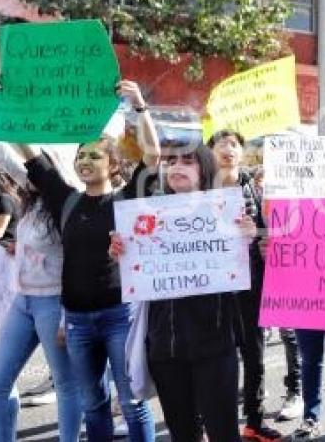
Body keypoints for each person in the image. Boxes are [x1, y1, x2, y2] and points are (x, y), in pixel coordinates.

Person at [11, 80, 159, 442]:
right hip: (76, 322)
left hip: (118, 317)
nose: (85, 161)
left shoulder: (128, 198)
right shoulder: (66, 199)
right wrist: (9, 101)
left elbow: (152, 157)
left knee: (132, 401)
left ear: (113, 164)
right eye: (81, 156)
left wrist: (138, 105)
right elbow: (31, 155)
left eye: (95, 155)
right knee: (92, 403)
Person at [110, 143, 257, 442]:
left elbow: (248, 279)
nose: (176, 166)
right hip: (165, 346)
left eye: (188, 161)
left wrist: (249, 242)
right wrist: (121, 252)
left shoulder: (228, 212)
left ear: (204, 169)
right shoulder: (144, 213)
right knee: (182, 434)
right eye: (171, 160)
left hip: (214, 343)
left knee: (223, 433)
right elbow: (134, 276)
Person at [0, 163, 82, 442]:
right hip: (23, 301)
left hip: (53, 301)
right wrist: (20, 251)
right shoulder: (30, 203)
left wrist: (67, 314)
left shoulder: (67, 202)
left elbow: (78, 260)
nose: (24, 176)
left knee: (67, 385)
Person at [207, 129, 284, 441]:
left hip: (251, 287)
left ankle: (254, 420)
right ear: (209, 152)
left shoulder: (253, 188)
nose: (229, 149)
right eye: (221, 144)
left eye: (235, 144)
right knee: (213, 360)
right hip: (211, 291)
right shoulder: (198, 192)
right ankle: (209, 423)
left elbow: (269, 234)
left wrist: (265, 241)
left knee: (255, 356)